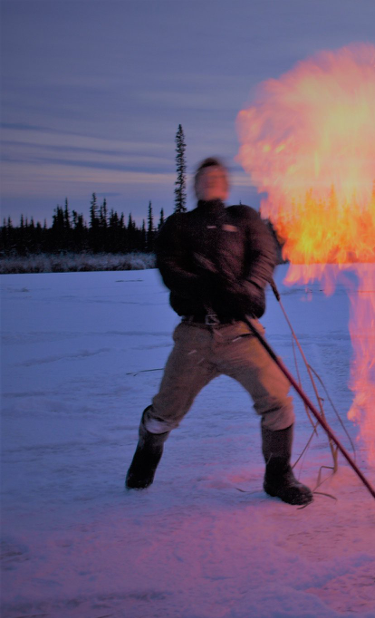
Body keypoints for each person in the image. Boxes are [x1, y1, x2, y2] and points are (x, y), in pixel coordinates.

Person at [125, 157, 312, 506]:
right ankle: (144, 460)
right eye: (204, 177)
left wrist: (247, 288)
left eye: (218, 176)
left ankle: (278, 476)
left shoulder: (243, 220)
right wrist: (204, 287)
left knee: (277, 401)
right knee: (165, 413)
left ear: (226, 185)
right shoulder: (179, 225)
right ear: (195, 186)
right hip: (195, 336)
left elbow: (264, 255)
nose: (211, 181)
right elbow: (170, 268)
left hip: (242, 333)